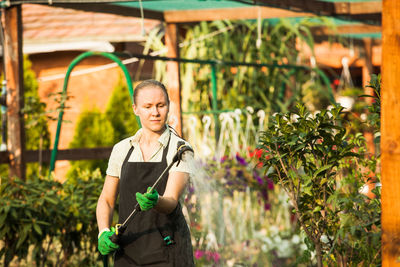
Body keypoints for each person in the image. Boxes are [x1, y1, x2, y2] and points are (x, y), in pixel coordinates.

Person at [96, 79, 194, 267]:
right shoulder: (122, 149)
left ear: (168, 106)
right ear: (135, 109)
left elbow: (172, 201)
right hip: (128, 251)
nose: (155, 112)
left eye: (161, 105)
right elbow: (107, 200)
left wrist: (156, 201)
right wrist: (103, 232)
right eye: (148, 106)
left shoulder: (180, 149)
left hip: (168, 250)